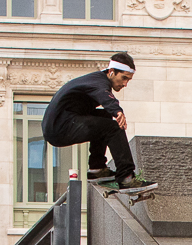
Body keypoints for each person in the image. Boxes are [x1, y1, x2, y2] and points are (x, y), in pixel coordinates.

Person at [41, 51, 154, 192]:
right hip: (60, 127)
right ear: (111, 72)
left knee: (105, 116)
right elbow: (104, 95)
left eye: (128, 80)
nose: (125, 84)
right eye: (124, 78)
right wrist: (117, 111)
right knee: (113, 128)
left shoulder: (95, 79)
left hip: (61, 123)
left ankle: (97, 168)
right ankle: (126, 177)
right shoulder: (99, 83)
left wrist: (112, 111)